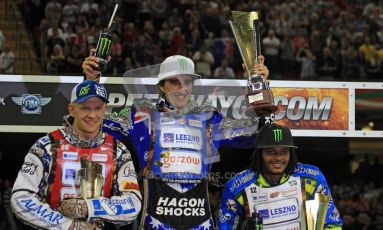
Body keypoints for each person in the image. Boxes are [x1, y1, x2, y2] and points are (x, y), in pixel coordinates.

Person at [82, 51, 275, 229]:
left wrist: (260, 87)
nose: (182, 89)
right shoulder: (141, 116)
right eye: (174, 82)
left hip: (200, 222)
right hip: (154, 221)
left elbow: (260, 135)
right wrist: (91, 81)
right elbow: (89, 125)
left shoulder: (209, 118)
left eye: (187, 82)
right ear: (161, 86)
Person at [11, 80, 142, 229]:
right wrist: (70, 225)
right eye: (85, 108)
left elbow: (133, 203)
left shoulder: (118, 151)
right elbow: (20, 199)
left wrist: (86, 207)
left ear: (105, 110)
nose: (92, 115)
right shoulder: (46, 146)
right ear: (72, 109)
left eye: (98, 108)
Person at [219, 123, 343, 229]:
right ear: (259, 153)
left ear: (291, 153)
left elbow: (332, 224)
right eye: (271, 152)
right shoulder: (237, 187)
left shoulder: (312, 178)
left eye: (284, 152)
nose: (278, 158)